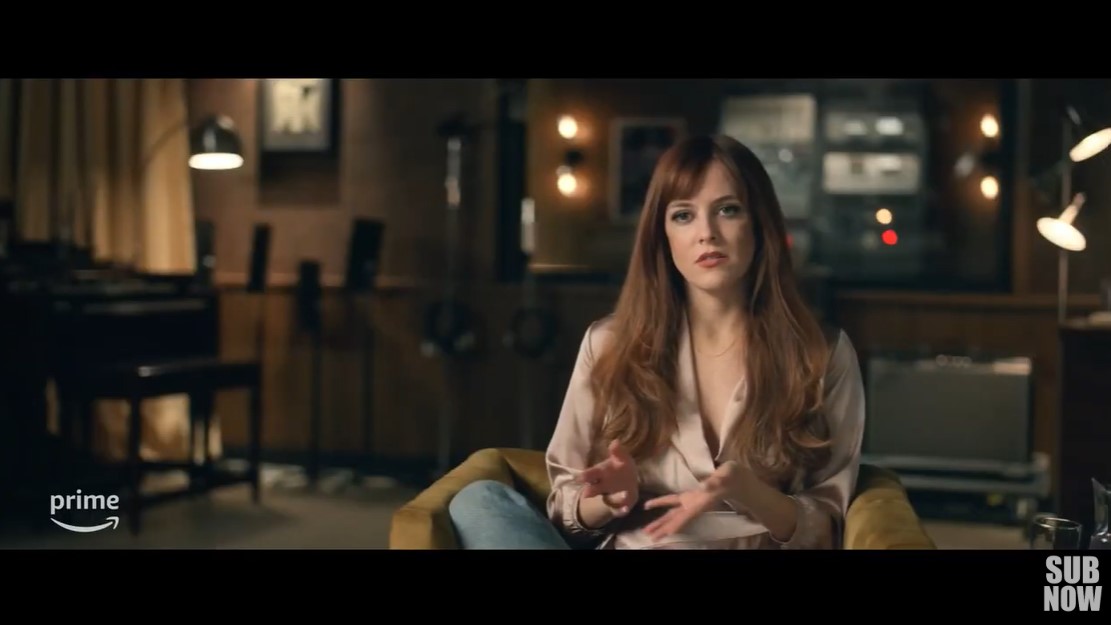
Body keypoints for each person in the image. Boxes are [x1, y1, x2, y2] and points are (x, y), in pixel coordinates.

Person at [448, 134, 865, 549]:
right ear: (662, 236)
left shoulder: (820, 353)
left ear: (760, 224)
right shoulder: (608, 344)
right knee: (479, 499)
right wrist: (609, 501)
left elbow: (831, 527)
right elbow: (563, 511)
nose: (707, 233)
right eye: (683, 215)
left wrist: (748, 491)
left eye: (728, 210)